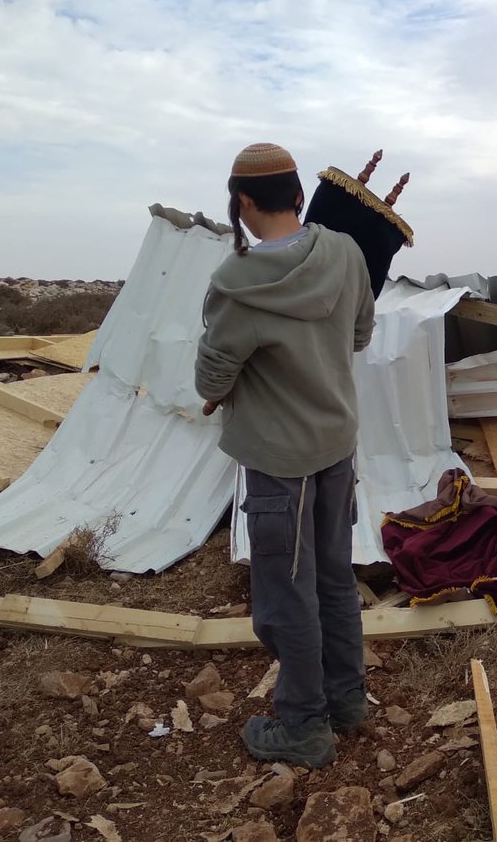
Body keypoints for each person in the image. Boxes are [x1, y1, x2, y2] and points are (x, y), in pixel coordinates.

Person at [194, 142, 375, 768]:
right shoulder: (346, 254)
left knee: (283, 594)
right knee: (332, 576)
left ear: (243, 202)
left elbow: (212, 378)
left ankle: (302, 724)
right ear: (299, 194)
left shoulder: (236, 285)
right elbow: (358, 334)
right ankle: (347, 700)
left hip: (276, 459)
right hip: (335, 444)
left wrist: (223, 390)